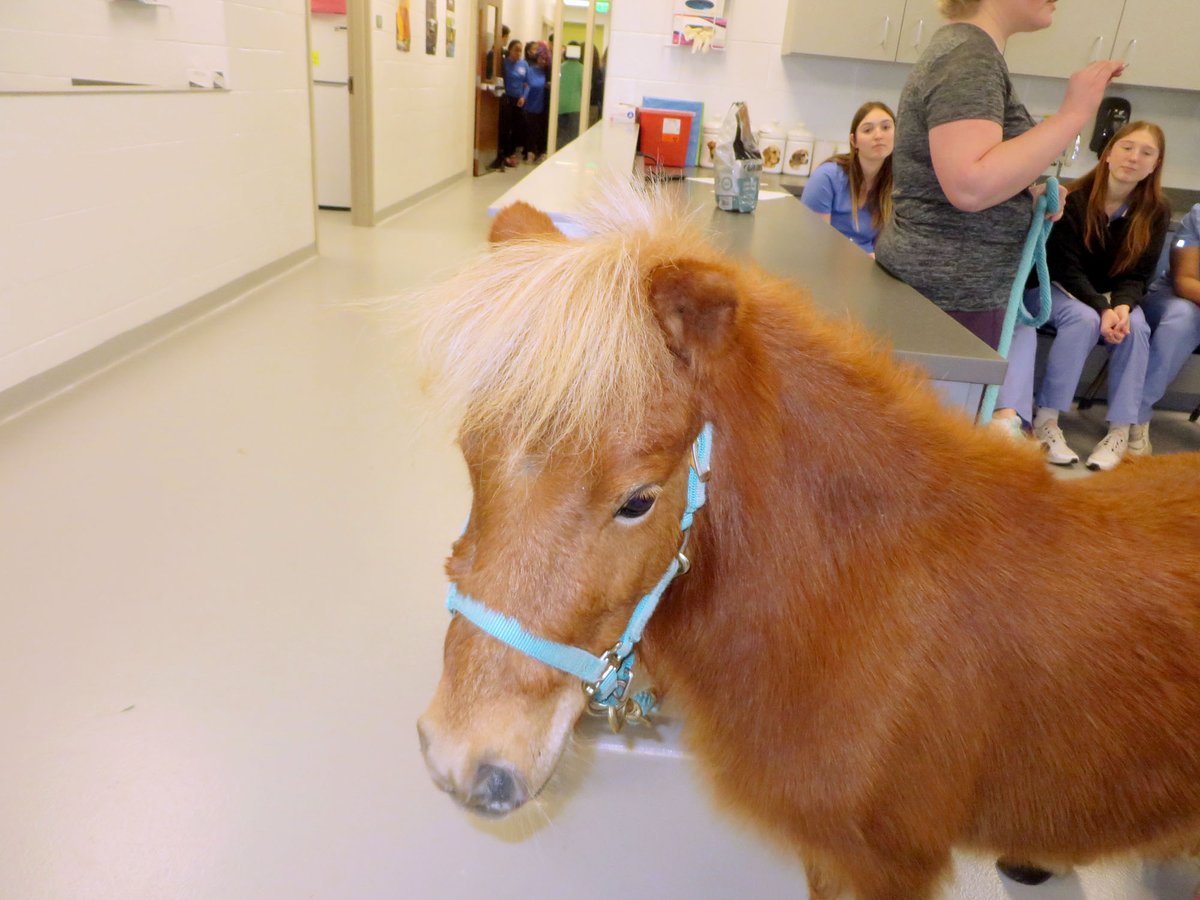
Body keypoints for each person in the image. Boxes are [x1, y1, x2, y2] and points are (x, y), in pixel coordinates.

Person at [873, 0, 1125, 440]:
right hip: (950, 297)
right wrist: (1074, 114)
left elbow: (974, 172)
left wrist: (1023, 188)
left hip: (950, 291)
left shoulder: (971, 52)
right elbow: (970, 185)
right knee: (932, 455)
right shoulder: (968, 56)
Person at [997, 122, 1169, 470]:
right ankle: (1047, 420)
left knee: (1136, 327)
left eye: (1146, 153)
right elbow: (1065, 268)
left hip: (1112, 296)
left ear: (1155, 165)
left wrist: (1120, 307)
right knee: (1084, 319)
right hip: (1055, 290)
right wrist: (1102, 308)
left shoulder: (1156, 211)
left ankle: (1120, 429)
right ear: (1108, 154)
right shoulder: (1073, 198)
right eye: (1127, 147)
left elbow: (1138, 273)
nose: (1134, 158)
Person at [1135, 202, 1200, 451]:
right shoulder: (1197, 216)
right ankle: (1134, 417)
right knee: (1182, 319)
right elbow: (1185, 281)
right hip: (1180, 299)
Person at [800, 101, 895, 255]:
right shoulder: (827, 177)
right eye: (868, 130)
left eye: (886, 127)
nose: (878, 135)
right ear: (854, 141)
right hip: (823, 266)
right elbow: (812, 245)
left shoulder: (894, 186)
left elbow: (882, 248)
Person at [493, 40, 528, 169]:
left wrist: (524, 96)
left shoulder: (524, 64)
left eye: (520, 50)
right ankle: (505, 154)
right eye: (516, 50)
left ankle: (512, 152)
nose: (519, 53)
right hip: (507, 98)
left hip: (519, 99)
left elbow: (527, 83)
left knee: (518, 126)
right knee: (506, 126)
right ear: (510, 50)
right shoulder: (504, 63)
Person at [522, 42, 550, 162]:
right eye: (541, 58)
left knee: (542, 129)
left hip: (544, 105)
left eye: (545, 59)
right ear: (537, 58)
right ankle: (530, 152)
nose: (543, 61)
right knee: (531, 129)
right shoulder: (530, 71)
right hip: (531, 104)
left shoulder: (549, 73)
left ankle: (541, 151)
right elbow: (526, 85)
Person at [556, 43, 584, 149]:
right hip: (575, 106)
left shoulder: (560, 67)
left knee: (561, 136)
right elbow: (586, 88)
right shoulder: (582, 69)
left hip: (560, 105)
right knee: (573, 137)